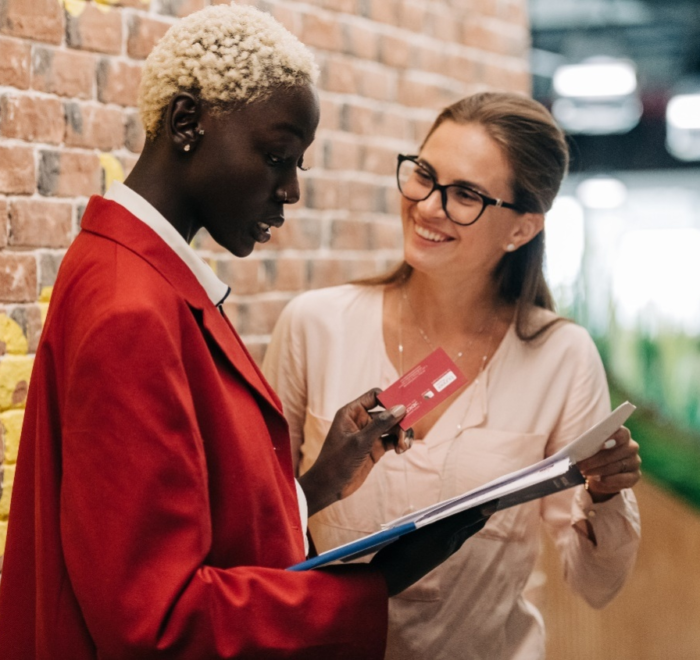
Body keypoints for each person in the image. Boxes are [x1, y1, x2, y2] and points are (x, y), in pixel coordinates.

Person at [0, 6, 489, 658]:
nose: (289, 191)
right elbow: (156, 622)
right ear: (185, 124)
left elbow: (187, 529)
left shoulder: (137, 274)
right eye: (276, 157)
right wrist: (380, 581)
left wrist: (315, 485)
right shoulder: (131, 309)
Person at [263, 91, 642, 659]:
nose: (428, 206)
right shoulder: (316, 326)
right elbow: (256, 526)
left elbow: (596, 582)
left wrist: (606, 492)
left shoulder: (560, 356)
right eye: (423, 175)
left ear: (521, 229)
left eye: (465, 194)